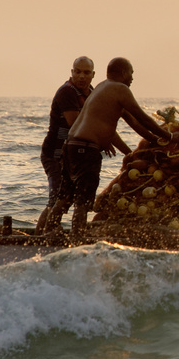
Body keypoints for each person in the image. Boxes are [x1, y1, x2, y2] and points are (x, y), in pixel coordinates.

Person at [42, 57, 174, 237]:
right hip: (86, 150)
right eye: (132, 74)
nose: (133, 79)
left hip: (71, 147)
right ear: (123, 73)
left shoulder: (102, 87)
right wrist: (170, 136)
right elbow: (142, 118)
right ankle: (78, 240)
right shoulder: (121, 89)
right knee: (82, 201)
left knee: (65, 197)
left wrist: (153, 141)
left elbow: (133, 122)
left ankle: (48, 233)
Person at [36, 56, 114, 232]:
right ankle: (40, 237)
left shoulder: (91, 93)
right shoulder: (67, 92)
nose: (81, 76)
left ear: (93, 75)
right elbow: (77, 125)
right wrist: (102, 138)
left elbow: (97, 120)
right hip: (55, 154)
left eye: (86, 73)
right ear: (71, 72)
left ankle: (45, 234)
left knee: (67, 199)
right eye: (77, 71)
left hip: (73, 157)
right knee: (57, 199)